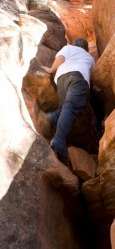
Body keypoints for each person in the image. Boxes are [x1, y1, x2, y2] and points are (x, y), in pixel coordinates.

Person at [41, 37, 95, 166]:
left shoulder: (68, 48)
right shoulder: (90, 58)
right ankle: (58, 139)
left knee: (66, 107)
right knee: (71, 108)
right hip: (78, 78)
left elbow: (60, 59)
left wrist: (51, 70)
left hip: (61, 78)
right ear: (86, 48)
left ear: (74, 44)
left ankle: (52, 118)